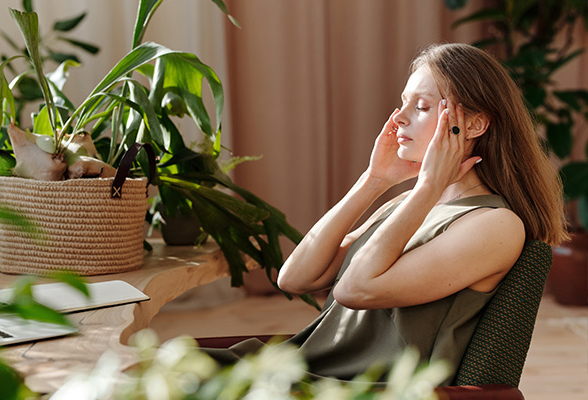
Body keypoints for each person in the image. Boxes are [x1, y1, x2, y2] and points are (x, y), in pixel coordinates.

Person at [206, 43, 568, 385]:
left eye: (421, 107)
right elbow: (294, 278)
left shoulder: (494, 225)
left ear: (473, 125)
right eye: (402, 103)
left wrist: (426, 188)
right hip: (297, 367)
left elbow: (354, 289)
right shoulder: (407, 204)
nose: (398, 119)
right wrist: (373, 181)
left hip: (351, 387)